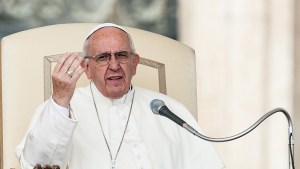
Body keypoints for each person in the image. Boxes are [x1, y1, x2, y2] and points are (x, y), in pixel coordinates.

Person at [15, 23, 224, 169]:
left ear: (134, 63)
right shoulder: (61, 109)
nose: (114, 65)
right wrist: (60, 99)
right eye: (103, 57)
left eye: (122, 56)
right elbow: (37, 164)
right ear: (86, 68)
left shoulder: (168, 110)